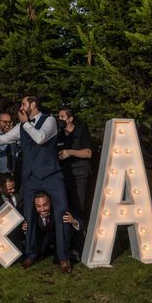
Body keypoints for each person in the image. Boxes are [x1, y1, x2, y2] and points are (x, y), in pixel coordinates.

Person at [0, 95, 72, 273]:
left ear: (33, 105)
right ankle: (31, 254)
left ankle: (64, 257)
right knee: (29, 215)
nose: (21, 107)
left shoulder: (49, 120)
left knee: (61, 213)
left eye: (23, 104)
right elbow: (2, 140)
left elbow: (40, 138)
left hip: (52, 175)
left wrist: (26, 123)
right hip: (31, 177)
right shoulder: (21, 126)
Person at [57, 107, 92, 259]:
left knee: (78, 210)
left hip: (79, 176)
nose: (59, 119)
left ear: (70, 119)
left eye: (62, 116)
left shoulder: (81, 130)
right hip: (63, 177)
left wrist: (70, 152)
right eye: (58, 116)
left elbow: (88, 153)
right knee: (66, 211)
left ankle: (79, 248)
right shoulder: (59, 134)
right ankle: (66, 247)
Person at [24, 191, 83, 261]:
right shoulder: (32, 214)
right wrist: (26, 229)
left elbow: (81, 224)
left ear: (51, 203)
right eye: (38, 206)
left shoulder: (61, 210)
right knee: (40, 253)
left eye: (45, 205)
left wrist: (73, 221)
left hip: (61, 238)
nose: (42, 209)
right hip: (45, 238)